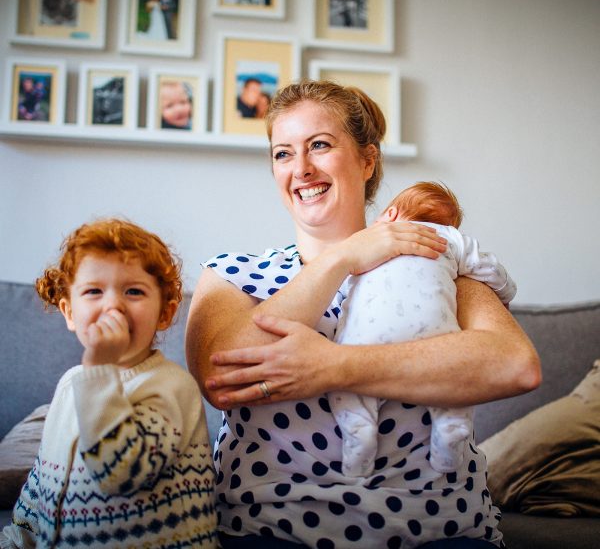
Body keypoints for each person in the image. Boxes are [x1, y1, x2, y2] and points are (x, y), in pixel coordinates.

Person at [185, 80, 541, 549]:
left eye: (319, 146)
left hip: (439, 531)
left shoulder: (428, 256)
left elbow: (516, 365)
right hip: (271, 528)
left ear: (367, 160)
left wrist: (333, 367)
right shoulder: (235, 274)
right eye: (283, 154)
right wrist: (342, 258)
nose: (302, 169)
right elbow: (220, 376)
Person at [1, 219, 217, 549]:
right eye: (93, 291)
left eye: (133, 291)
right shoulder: (72, 384)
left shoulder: (172, 386)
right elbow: (44, 482)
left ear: (165, 313)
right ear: (70, 312)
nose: (113, 305)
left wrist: (99, 369)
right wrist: (18, 537)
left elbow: (122, 471)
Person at [329, 181, 517, 480]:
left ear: (389, 214)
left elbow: (337, 284)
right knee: (453, 375)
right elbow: (490, 269)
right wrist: (505, 295)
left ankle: (358, 435)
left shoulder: (366, 241)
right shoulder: (451, 239)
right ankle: (450, 428)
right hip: (434, 334)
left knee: (343, 383)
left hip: (366, 337)